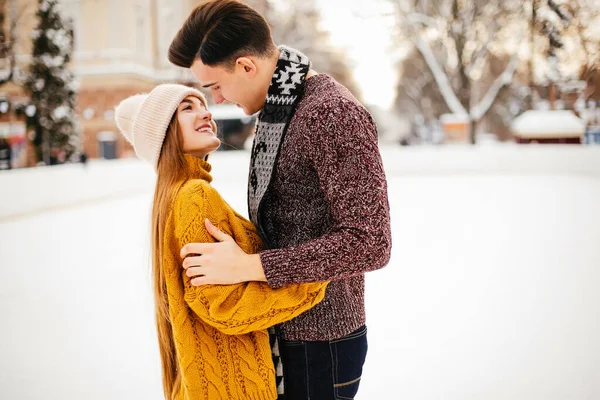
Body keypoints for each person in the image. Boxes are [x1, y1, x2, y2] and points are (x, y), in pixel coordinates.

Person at [168, 1, 392, 399]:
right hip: (284, 329)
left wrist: (250, 266)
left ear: (246, 66)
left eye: (216, 86)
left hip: (320, 343)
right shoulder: (280, 109)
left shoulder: (329, 114)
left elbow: (370, 241)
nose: (216, 100)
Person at [114, 83, 328, 400]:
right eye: (187, 108)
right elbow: (224, 306)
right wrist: (311, 279)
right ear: (164, 133)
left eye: (202, 106)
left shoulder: (176, 196)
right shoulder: (195, 197)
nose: (205, 113)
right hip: (234, 387)